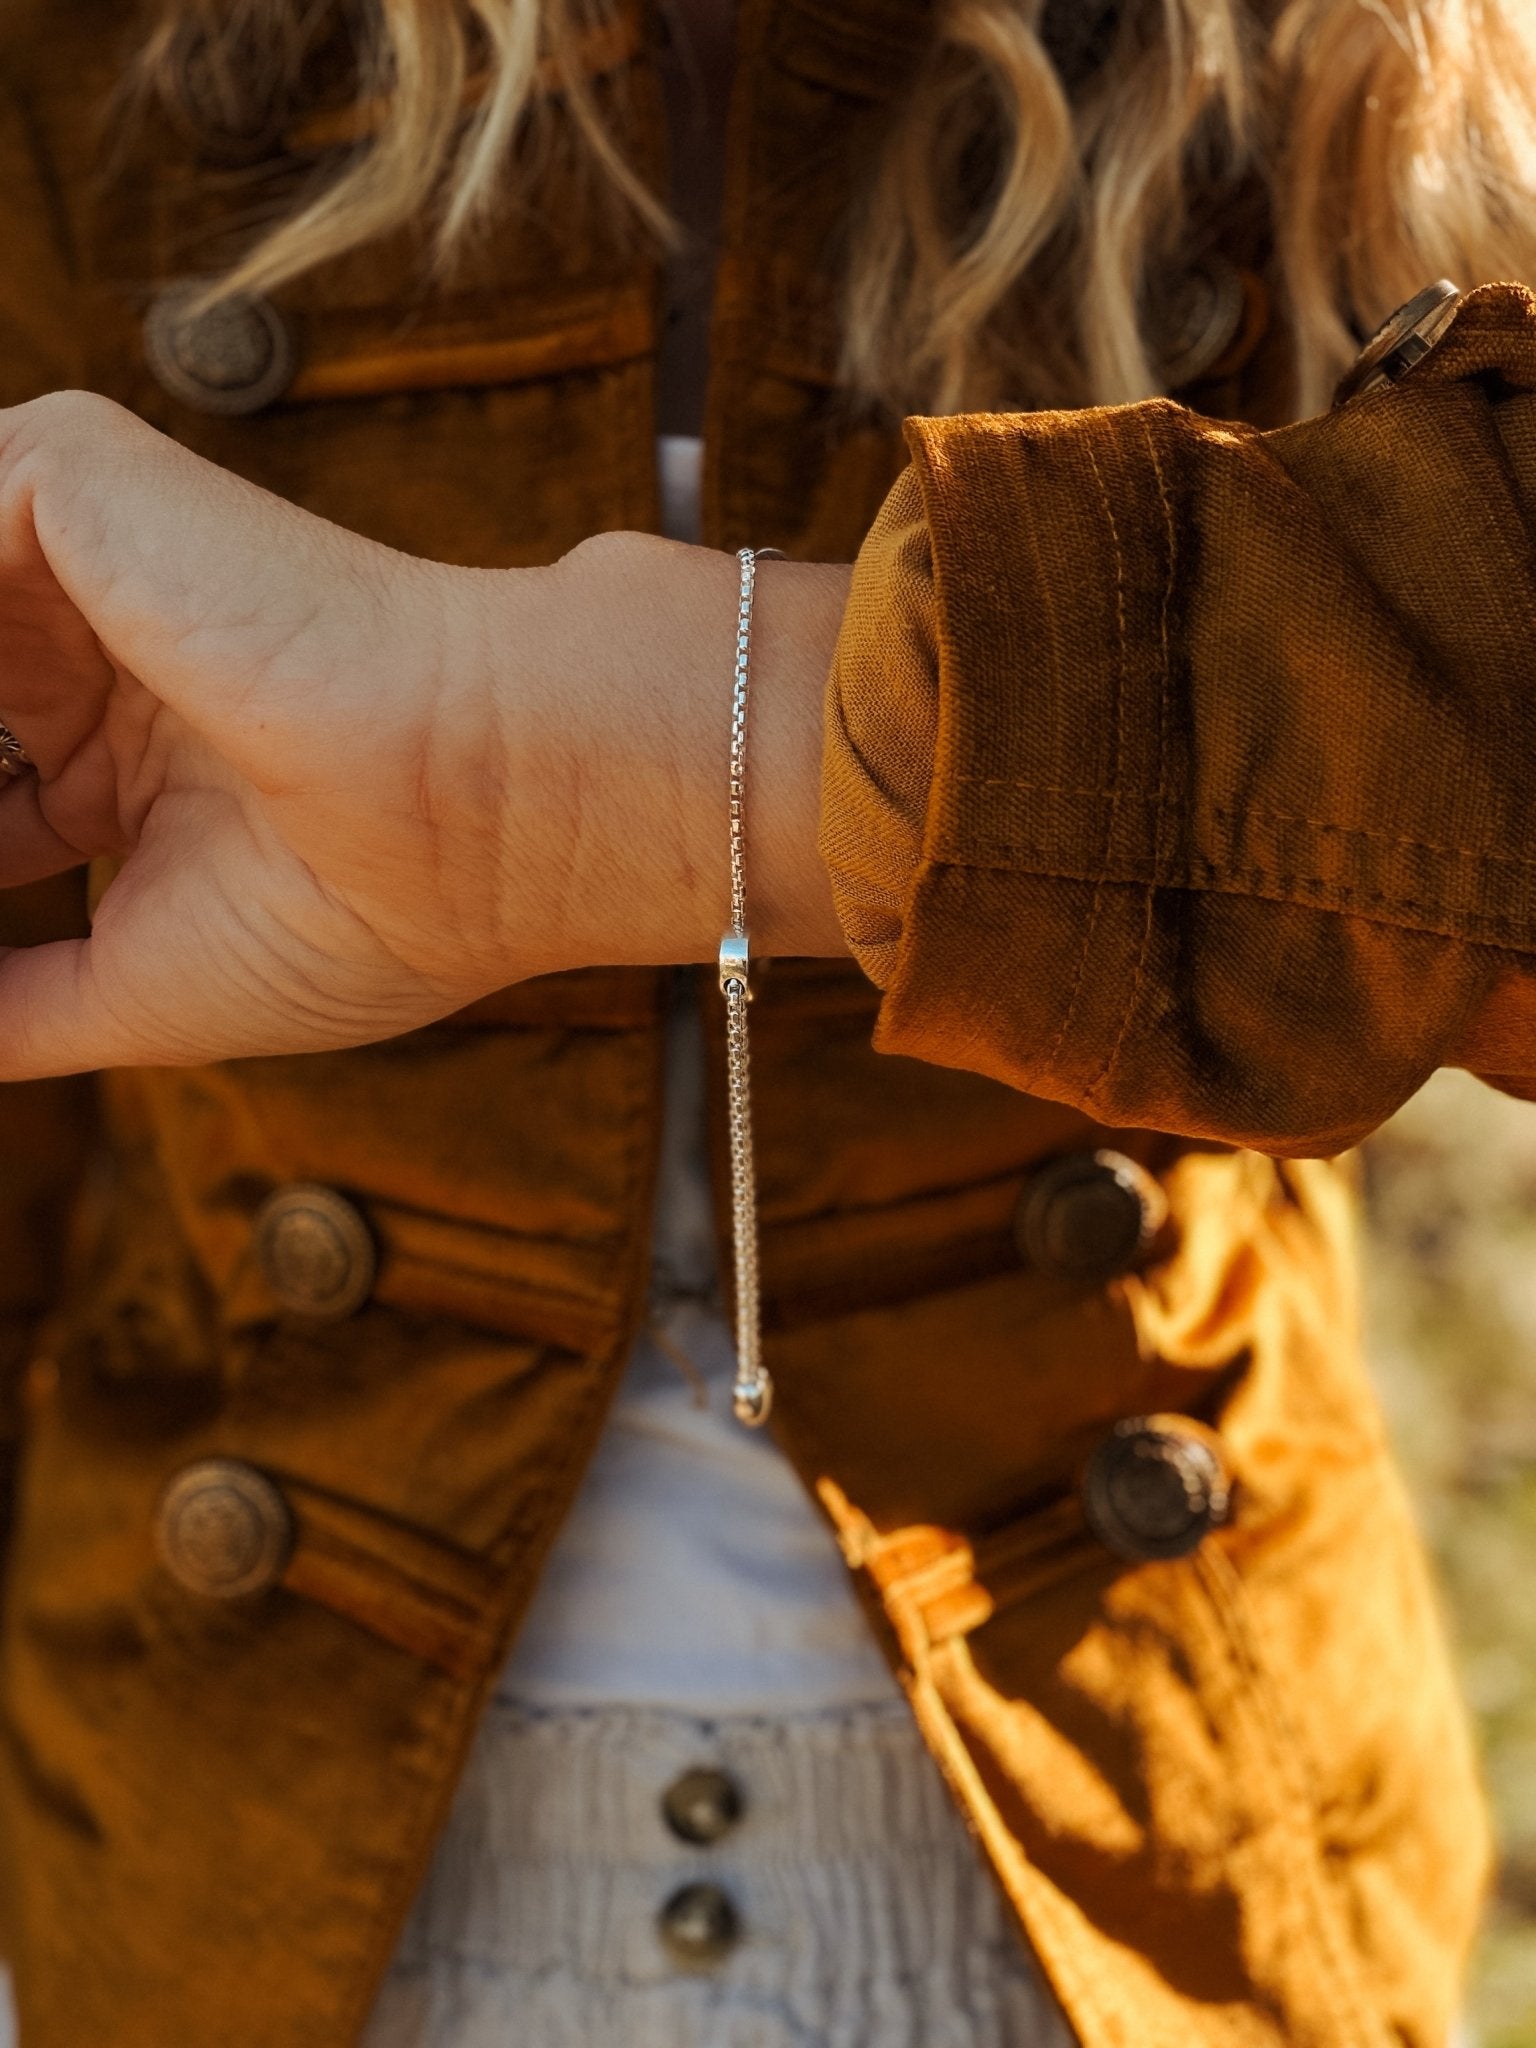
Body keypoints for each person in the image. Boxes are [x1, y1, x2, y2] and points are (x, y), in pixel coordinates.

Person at [0, 1, 1531, 2043]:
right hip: (221, 1865)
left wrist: (598, 770)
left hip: (1138, 1854)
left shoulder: (1349, 49)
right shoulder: (78, 64)